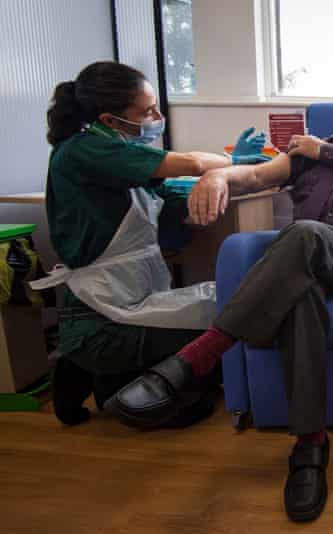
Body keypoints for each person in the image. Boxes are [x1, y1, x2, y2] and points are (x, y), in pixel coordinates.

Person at [104, 74, 333, 522]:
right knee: (300, 295)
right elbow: (254, 174)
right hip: (308, 264)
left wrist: (322, 150)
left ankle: (196, 359)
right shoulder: (304, 156)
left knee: (302, 234)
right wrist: (218, 176)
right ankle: (310, 447)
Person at [40, 61, 270, 429]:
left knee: (222, 307)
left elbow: (165, 193)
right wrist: (231, 162)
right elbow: (192, 163)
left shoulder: (117, 150)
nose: (158, 117)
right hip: (102, 312)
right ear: (111, 120)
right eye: (147, 111)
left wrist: (222, 184)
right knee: (209, 357)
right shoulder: (87, 151)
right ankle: (90, 365)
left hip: (128, 296)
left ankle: (102, 370)